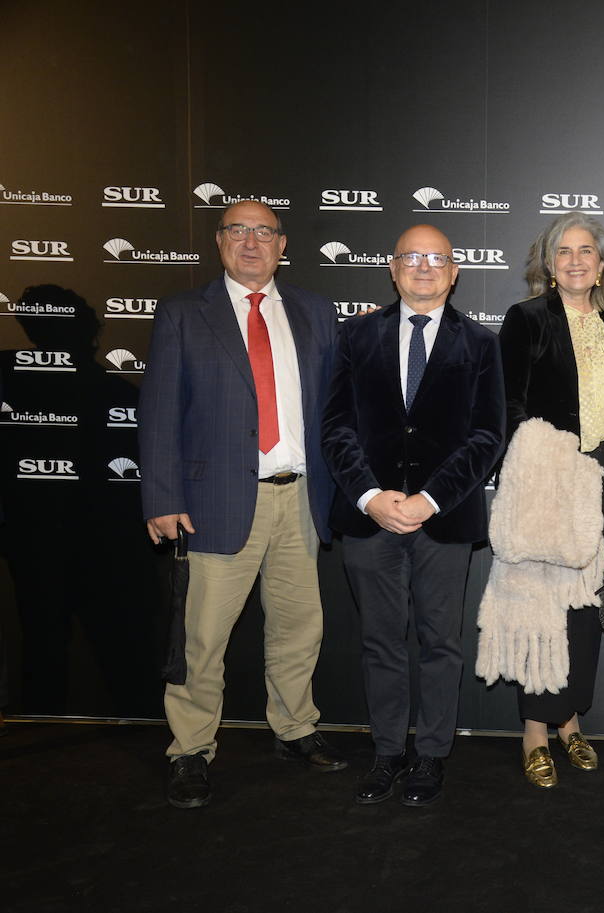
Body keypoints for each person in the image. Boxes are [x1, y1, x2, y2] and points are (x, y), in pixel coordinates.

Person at [139, 201, 345, 809]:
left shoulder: (314, 311)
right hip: (213, 503)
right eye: (237, 231)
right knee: (202, 639)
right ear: (219, 242)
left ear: (283, 245)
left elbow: (334, 410)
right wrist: (162, 495)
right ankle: (191, 750)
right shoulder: (183, 313)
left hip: (300, 499)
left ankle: (295, 728)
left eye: (263, 232)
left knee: (299, 628)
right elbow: (157, 413)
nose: (251, 243)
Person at [322, 224, 505, 806]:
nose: (423, 267)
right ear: (393, 269)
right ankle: (386, 753)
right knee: (379, 641)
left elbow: (486, 436)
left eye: (437, 259)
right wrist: (371, 497)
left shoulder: (481, 344)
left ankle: (430, 755)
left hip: (443, 521)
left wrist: (427, 500)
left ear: (454, 273)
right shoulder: (353, 337)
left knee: (439, 642)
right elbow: (335, 427)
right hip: (368, 518)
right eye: (411, 257)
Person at [498, 213, 604, 787]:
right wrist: (535, 477)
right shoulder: (526, 319)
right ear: (548, 265)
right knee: (541, 605)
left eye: (587, 251)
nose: (576, 260)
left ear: (601, 264)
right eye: (564, 252)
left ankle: (571, 722)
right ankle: (534, 728)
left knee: (585, 604)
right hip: (548, 477)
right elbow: (508, 405)